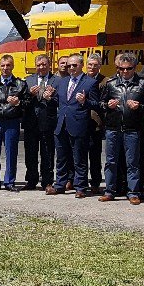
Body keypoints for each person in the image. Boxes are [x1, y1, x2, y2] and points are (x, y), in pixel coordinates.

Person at [98, 53, 144, 205]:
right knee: (111, 161)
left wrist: (140, 107)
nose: (124, 72)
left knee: (133, 162)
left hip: (132, 129)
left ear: (134, 68)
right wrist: (107, 105)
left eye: (128, 69)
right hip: (113, 128)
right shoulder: (111, 83)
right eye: (121, 69)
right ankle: (110, 191)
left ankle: (133, 192)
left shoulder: (143, 84)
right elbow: (101, 103)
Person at [51, 54, 100, 198]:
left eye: (74, 65)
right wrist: (49, 97)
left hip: (78, 125)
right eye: (69, 66)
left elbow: (97, 104)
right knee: (61, 157)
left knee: (79, 158)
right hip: (61, 124)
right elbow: (59, 101)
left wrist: (85, 101)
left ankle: (80, 187)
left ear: (81, 65)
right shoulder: (63, 81)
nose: (71, 68)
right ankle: (60, 185)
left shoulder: (90, 82)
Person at [0, 54, 28, 191]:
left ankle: (9, 182)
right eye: (3, 65)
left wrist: (18, 103)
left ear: (13, 66)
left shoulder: (21, 84)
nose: (5, 68)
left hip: (11, 121)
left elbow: (28, 103)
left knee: (11, 152)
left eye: (8, 65)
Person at [22, 54, 59, 191]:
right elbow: (23, 102)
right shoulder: (28, 80)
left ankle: (47, 182)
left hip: (48, 122)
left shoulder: (57, 80)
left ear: (49, 65)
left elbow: (61, 101)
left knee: (47, 153)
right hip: (31, 122)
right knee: (30, 153)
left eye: (44, 64)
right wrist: (30, 95)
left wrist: (50, 98)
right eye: (39, 65)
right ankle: (31, 180)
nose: (41, 67)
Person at [85, 55, 107, 194]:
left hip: (95, 122)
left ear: (99, 66)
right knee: (78, 154)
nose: (92, 67)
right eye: (90, 64)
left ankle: (95, 182)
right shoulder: (81, 79)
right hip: (80, 121)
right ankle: (78, 180)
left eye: (95, 65)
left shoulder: (104, 81)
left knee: (94, 155)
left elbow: (103, 102)